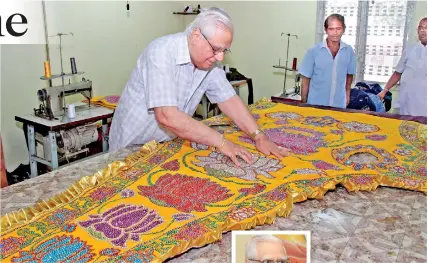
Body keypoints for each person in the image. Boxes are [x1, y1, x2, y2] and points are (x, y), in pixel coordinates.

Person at [109, 7, 289, 166]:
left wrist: (259, 136)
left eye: (224, 51)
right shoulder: (161, 51)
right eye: (216, 49)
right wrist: (222, 143)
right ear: (196, 36)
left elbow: (230, 100)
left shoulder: (209, 65)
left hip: (164, 145)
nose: (220, 58)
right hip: (130, 149)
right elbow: (166, 116)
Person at [299, 14, 356, 108]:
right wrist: (304, 102)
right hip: (315, 104)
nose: (335, 32)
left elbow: (349, 75)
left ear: (344, 29)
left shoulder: (349, 51)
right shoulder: (313, 51)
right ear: (326, 30)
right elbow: (305, 80)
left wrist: (347, 94)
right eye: (331, 29)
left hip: (339, 105)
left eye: (338, 28)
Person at [378, 17, 427, 117]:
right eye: (420, 28)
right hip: (407, 102)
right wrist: (384, 90)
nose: (422, 30)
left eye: (426, 28)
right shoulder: (410, 49)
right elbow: (397, 73)